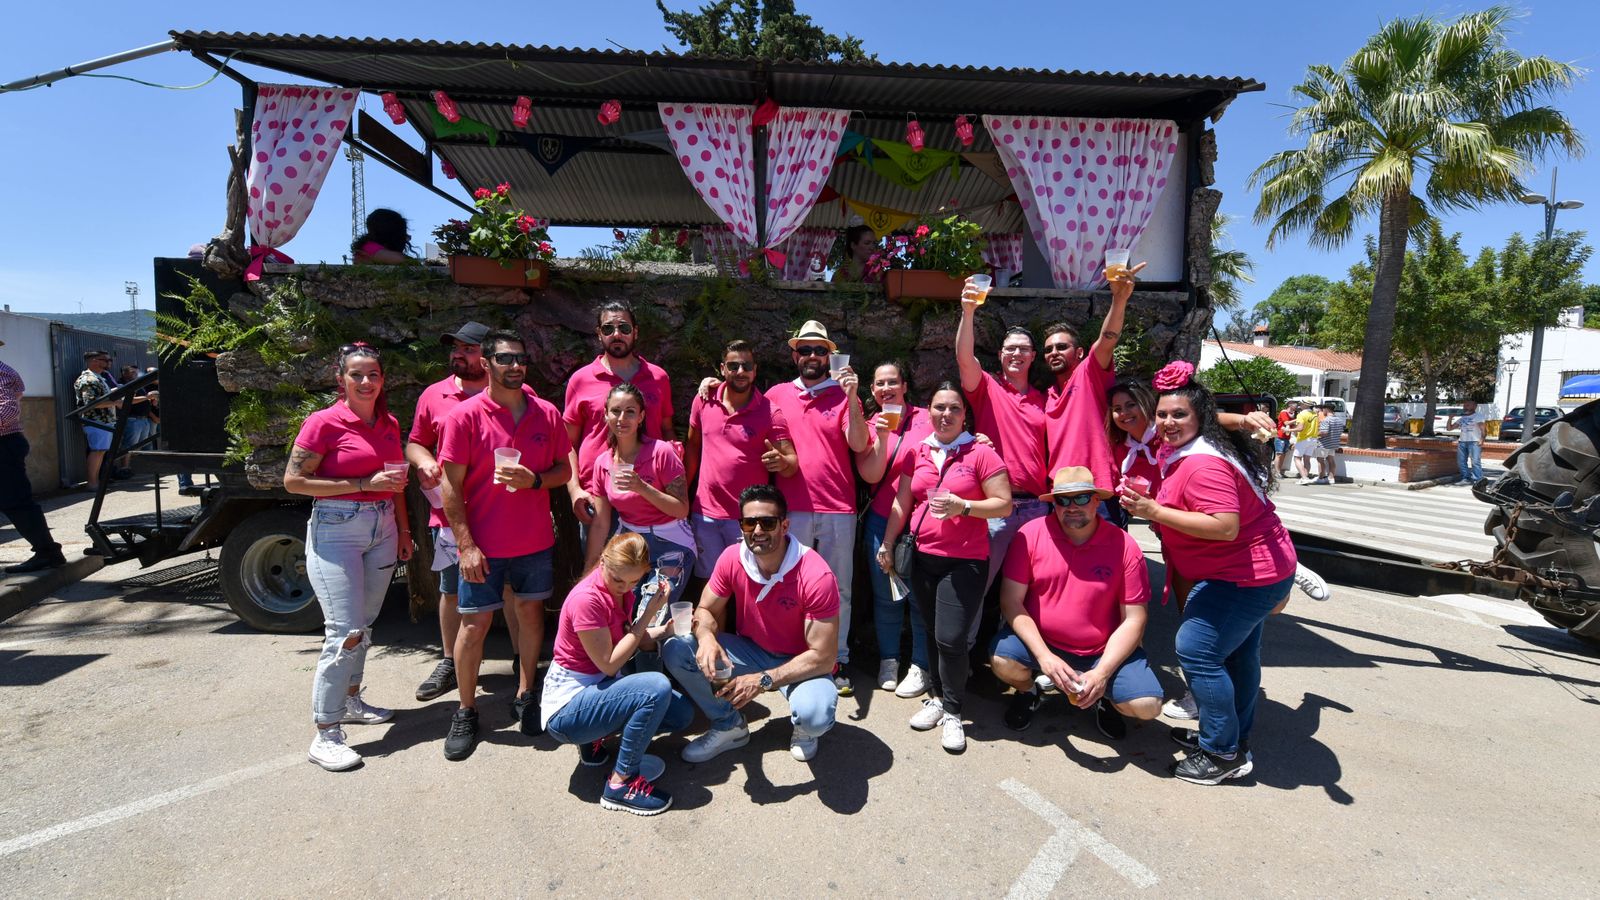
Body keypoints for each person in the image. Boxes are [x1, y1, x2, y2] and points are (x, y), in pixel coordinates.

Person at [1119, 362, 1297, 785]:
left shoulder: (1203, 465)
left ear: (1197, 417)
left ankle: (1221, 753)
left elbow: (1225, 526)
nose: (1167, 422)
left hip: (1247, 576)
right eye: (1162, 414)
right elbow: (1204, 417)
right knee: (1237, 655)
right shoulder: (1195, 444)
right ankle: (1233, 739)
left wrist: (1153, 511)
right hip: (1248, 570)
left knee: (1196, 649)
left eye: (1178, 415)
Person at [437, 329, 572, 760]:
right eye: (504, 359)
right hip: (483, 547)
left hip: (533, 541)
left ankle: (526, 692)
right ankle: (465, 710)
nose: (514, 366)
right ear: (487, 363)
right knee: (473, 627)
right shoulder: (465, 416)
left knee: (531, 617)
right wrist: (466, 545)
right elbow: (449, 487)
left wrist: (535, 480)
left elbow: (562, 472)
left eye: (520, 359)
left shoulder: (547, 413)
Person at [283, 343, 414, 771]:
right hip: (337, 527)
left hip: (383, 527)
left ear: (382, 379)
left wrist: (404, 530)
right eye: (356, 374)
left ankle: (352, 700)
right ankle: (325, 731)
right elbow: (294, 481)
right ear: (341, 380)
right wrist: (360, 483)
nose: (365, 381)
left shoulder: (389, 422)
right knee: (345, 630)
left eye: (373, 374)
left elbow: (393, 482)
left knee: (366, 623)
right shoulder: (323, 423)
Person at [661, 484, 841, 763]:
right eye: (749, 522)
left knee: (815, 716)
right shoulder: (733, 557)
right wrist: (707, 639)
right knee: (678, 647)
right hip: (751, 650)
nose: (757, 530)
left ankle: (804, 730)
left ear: (785, 525)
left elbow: (823, 657)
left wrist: (763, 680)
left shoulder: (815, 574)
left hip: (801, 660)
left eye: (767, 522)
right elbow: (706, 608)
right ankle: (728, 724)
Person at [878, 382, 1012, 753]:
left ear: (964, 414)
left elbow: (1003, 505)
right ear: (929, 411)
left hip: (965, 560)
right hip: (922, 557)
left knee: (951, 638)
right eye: (939, 407)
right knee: (932, 631)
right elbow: (903, 503)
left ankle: (953, 711)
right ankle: (938, 697)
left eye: (954, 408)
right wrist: (887, 544)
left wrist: (964, 507)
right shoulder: (918, 451)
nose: (946, 414)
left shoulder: (981, 453)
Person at [991, 466, 1162, 741]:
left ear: (1097, 501)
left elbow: (1135, 619)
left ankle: (1102, 697)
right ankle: (1029, 691)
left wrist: (1102, 673)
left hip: (1101, 650)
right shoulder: (1030, 534)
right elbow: (1011, 602)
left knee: (1147, 706)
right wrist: (1045, 658)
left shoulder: (1124, 545)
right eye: (1063, 500)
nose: (1072, 506)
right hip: (1044, 643)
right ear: (1054, 504)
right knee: (1002, 660)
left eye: (1081, 498)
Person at [541, 531, 695, 816]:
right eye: (619, 579)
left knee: (681, 713)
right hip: (565, 711)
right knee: (656, 687)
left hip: (592, 689)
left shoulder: (616, 592)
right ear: (603, 562)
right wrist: (649, 612)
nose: (626, 587)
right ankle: (620, 784)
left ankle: (593, 743)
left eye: (634, 581)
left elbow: (627, 638)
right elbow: (610, 663)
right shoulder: (588, 599)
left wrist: (666, 630)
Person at [763, 320, 871, 694]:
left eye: (819, 350)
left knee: (838, 588)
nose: (812, 356)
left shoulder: (843, 395)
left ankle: (836, 657)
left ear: (830, 356)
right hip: (791, 507)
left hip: (838, 507)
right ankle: (799, 659)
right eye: (805, 350)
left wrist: (855, 397)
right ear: (795, 356)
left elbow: (859, 444)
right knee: (790, 585)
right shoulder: (776, 394)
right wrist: (710, 386)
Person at [406, 321, 491, 703]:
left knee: (506, 589)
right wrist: (422, 460)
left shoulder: (509, 391)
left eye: (469, 349)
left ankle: (523, 667)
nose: (459, 354)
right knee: (452, 590)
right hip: (452, 515)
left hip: (501, 510)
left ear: (487, 355)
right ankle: (448, 662)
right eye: (455, 348)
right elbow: (415, 442)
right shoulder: (434, 395)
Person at [956, 287, 1047, 589]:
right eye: (1010, 348)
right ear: (1000, 355)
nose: (1016, 354)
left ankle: (1018, 637)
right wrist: (968, 311)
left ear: (1033, 357)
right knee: (979, 587)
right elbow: (965, 358)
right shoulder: (987, 388)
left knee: (1035, 586)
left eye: (1023, 349)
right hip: (997, 508)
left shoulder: (1046, 401)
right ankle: (968, 639)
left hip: (1036, 507)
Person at [685, 340, 796, 586]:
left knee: (750, 583)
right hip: (705, 515)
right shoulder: (704, 400)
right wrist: (683, 495)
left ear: (755, 370)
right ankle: (713, 627)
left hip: (748, 520)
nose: (740, 372)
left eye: (746, 366)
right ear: (723, 369)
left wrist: (781, 462)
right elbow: (692, 449)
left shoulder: (770, 411)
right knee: (710, 584)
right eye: (733, 366)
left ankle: (744, 627)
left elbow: (791, 462)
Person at [564, 301, 675, 541]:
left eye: (624, 328)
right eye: (608, 329)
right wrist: (575, 491)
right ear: (598, 333)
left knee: (647, 571)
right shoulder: (580, 380)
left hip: (649, 494)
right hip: (597, 496)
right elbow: (566, 444)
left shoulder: (658, 378)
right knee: (600, 570)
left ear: (636, 332)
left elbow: (667, 431)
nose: (617, 334)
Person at [855, 360, 933, 697]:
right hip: (881, 520)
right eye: (879, 384)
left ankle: (920, 665)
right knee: (886, 596)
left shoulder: (928, 418)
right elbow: (870, 475)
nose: (886, 388)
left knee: (919, 597)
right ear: (872, 391)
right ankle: (889, 659)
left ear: (904, 386)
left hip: (922, 522)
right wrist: (884, 435)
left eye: (892, 382)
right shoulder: (869, 426)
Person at [584, 383, 696, 608]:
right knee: (618, 610)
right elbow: (600, 524)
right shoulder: (603, 463)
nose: (621, 418)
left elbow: (681, 509)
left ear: (641, 417)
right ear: (605, 414)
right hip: (630, 543)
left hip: (670, 542)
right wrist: (589, 572)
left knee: (651, 617)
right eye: (615, 411)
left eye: (630, 411)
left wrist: (642, 487)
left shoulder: (661, 452)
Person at [1041, 260, 1143, 501]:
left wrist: (1119, 300)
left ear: (1079, 353)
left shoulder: (1089, 373)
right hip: (1060, 492)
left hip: (1099, 489)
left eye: (1061, 346)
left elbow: (1108, 338)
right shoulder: (1048, 395)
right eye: (1048, 349)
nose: (1054, 352)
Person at [0, 345, 67, 573]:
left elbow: (7, 410)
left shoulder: (1, 373)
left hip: (3, 445)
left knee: (16, 501)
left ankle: (47, 552)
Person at [73, 350, 119, 490]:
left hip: (103, 421)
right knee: (97, 451)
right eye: (105, 360)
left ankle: (96, 482)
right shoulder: (89, 379)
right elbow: (91, 403)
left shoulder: (99, 377)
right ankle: (92, 483)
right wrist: (115, 402)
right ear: (94, 361)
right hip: (96, 421)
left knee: (100, 452)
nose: (108, 362)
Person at [1451, 399, 1487, 484]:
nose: (1465, 407)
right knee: (1461, 461)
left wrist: (1482, 439)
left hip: (1474, 441)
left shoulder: (1478, 416)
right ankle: (1465, 478)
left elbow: (1483, 429)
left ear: (1474, 406)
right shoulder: (1462, 418)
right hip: (1462, 441)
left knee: (1475, 461)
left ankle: (1477, 480)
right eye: (1464, 405)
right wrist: (1450, 419)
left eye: (1467, 405)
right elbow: (1450, 428)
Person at [1314, 402, 1346, 485]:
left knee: (1320, 460)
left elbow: (1324, 432)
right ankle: (1331, 478)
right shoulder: (1339, 420)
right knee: (1331, 460)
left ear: (1326, 409)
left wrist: (1314, 434)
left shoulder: (1326, 420)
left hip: (1324, 444)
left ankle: (1321, 478)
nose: (1322, 411)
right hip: (1334, 443)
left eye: (1323, 409)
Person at [1291, 401, 1322, 484]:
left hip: (1303, 438)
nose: (1300, 405)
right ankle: (1305, 477)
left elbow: (1300, 428)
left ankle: (1304, 477)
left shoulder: (1301, 414)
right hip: (1313, 439)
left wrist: (1289, 430)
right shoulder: (1315, 414)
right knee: (1307, 459)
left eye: (1301, 404)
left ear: (1305, 405)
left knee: (1297, 458)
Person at [1274, 401, 1298, 477]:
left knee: (1283, 455)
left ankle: (1279, 472)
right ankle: (1276, 472)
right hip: (1280, 436)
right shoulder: (1284, 412)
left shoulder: (1292, 414)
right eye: (1295, 405)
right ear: (1290, 405)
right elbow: (1286, 423)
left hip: (1287, 437)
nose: (1296, 406)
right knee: (1279, 454)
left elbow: (1291, 426)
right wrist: (1297, 419)